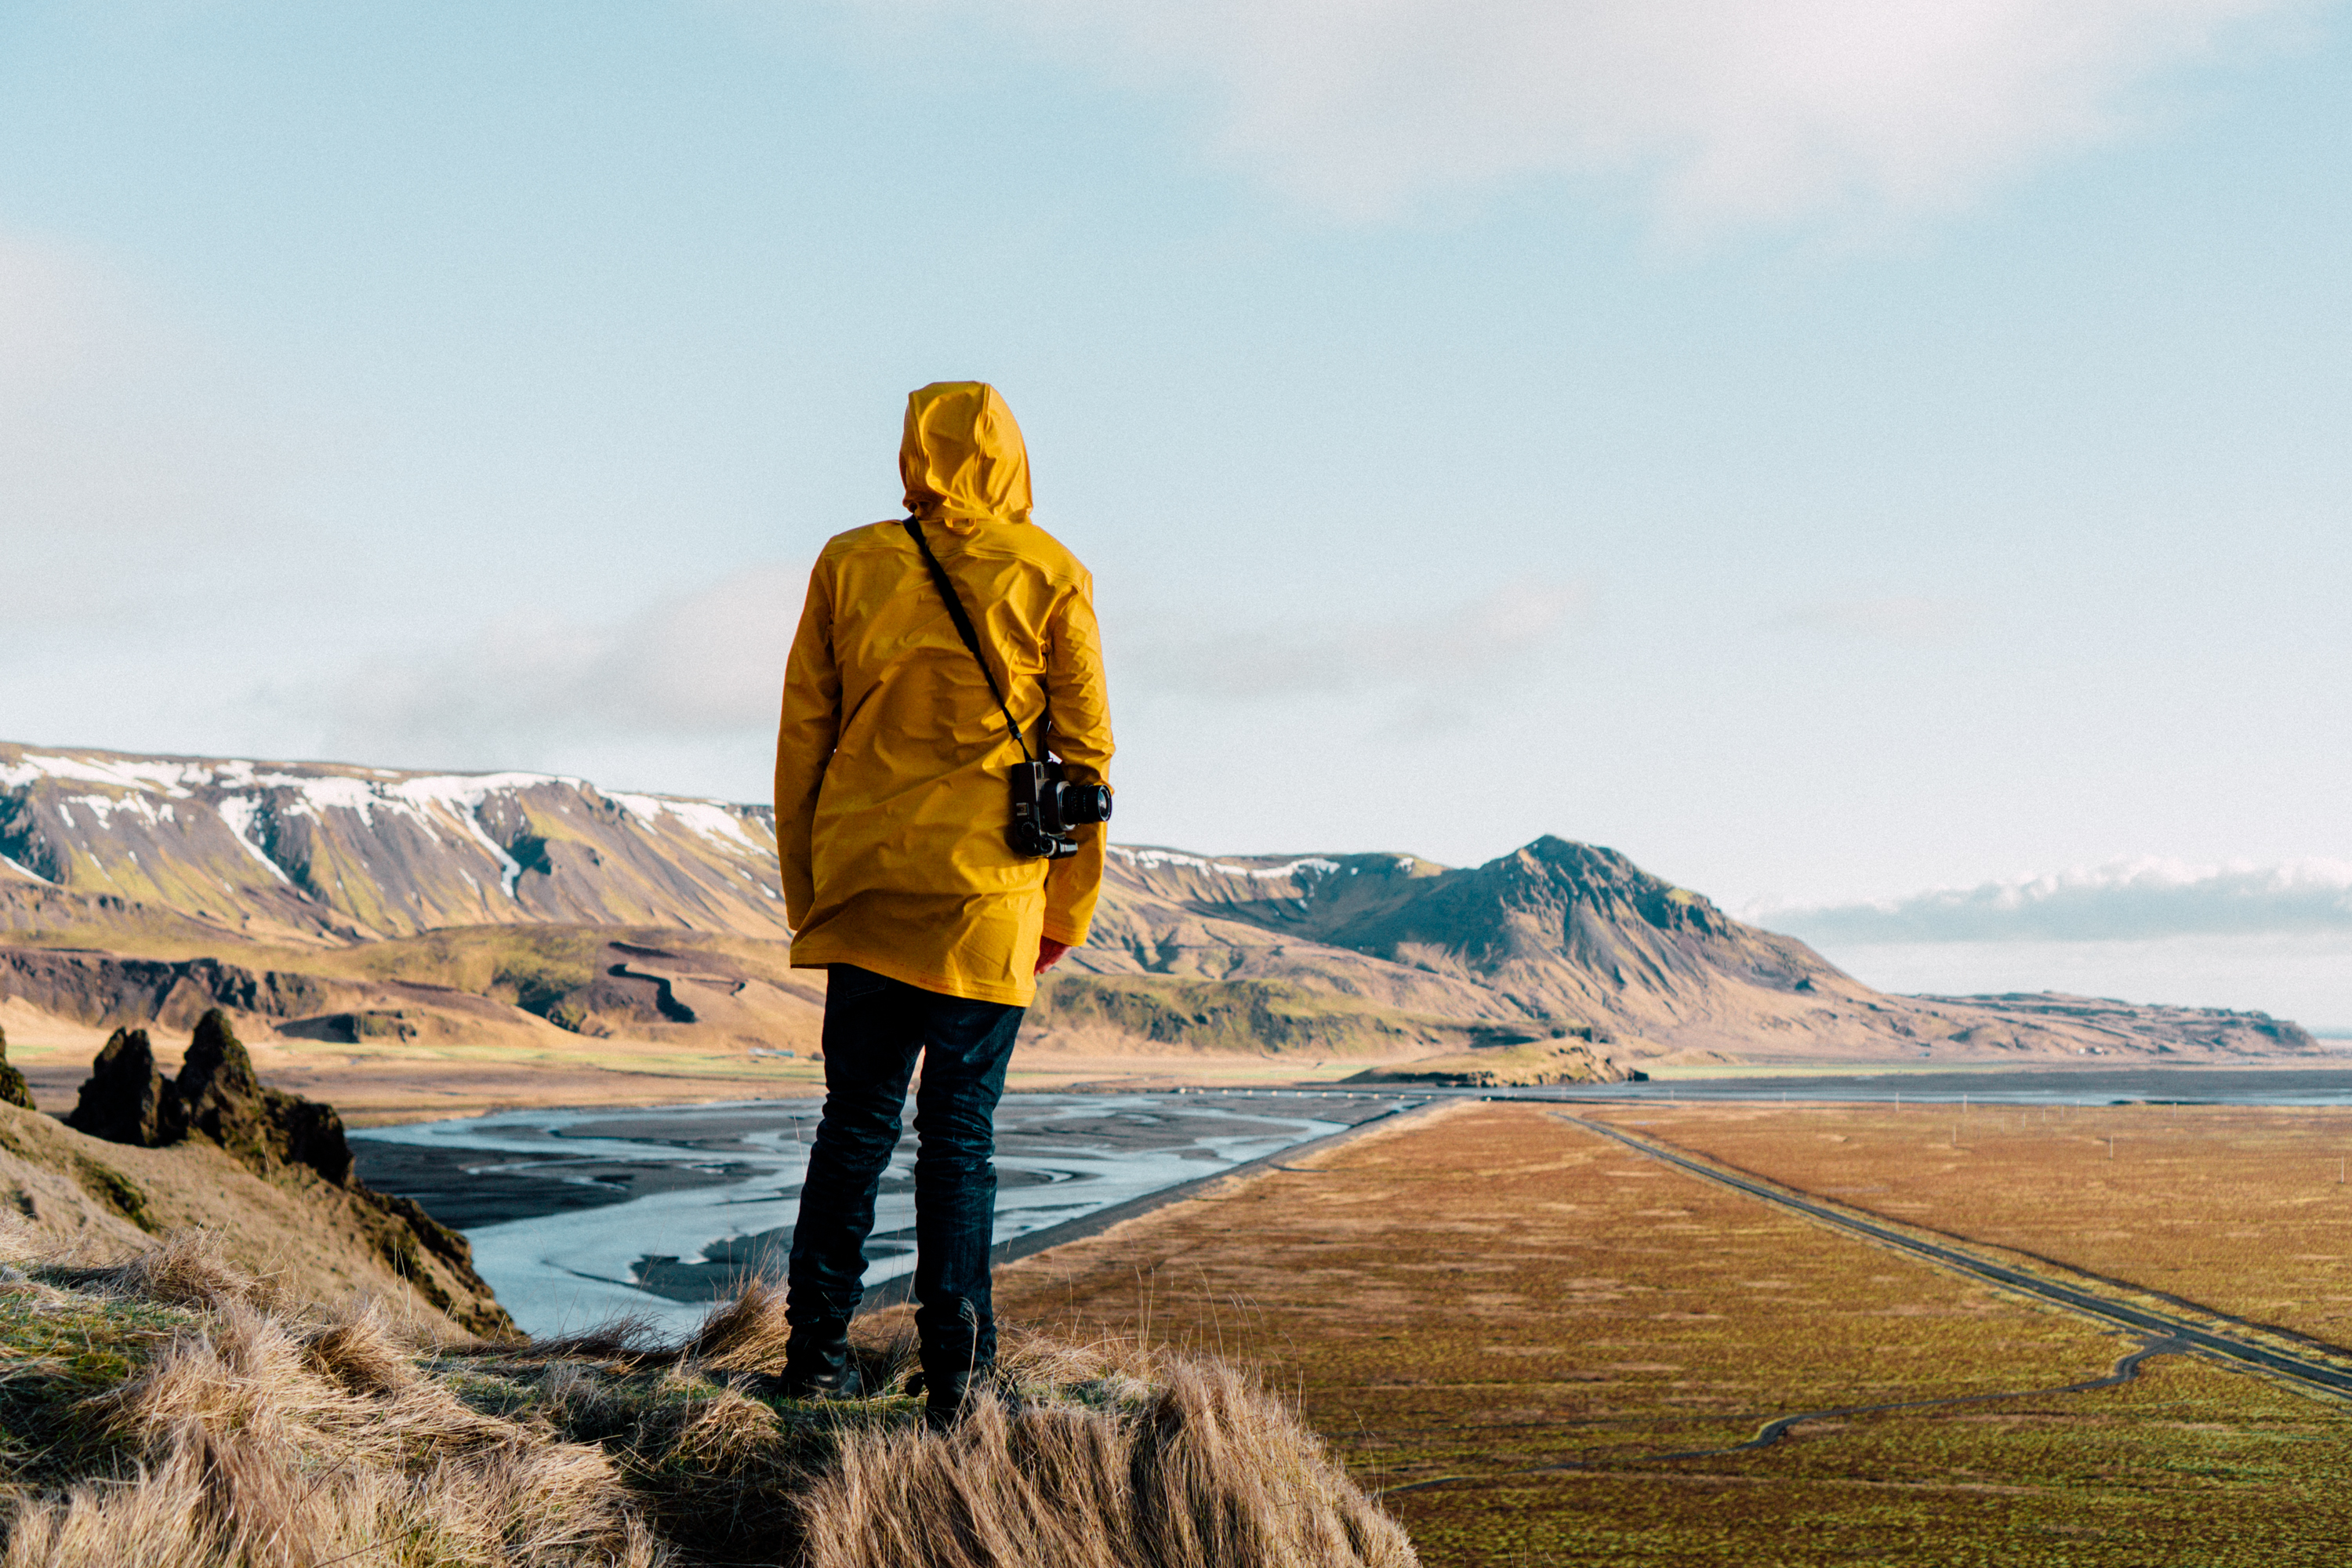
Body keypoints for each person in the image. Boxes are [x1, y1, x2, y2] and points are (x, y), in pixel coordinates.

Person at [771, 382, 1113, 1424]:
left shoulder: (850, 563)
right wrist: (1066, 912)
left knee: (854, 1125)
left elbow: (803, 742)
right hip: (989, 901)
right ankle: (958, 1382)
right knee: (960, 1135)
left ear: (912, 456)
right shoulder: (1051, 572)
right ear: (1014, 458)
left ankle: (814, 1357)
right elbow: (1086, 760)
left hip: (869, 890)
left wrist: (809, 893)